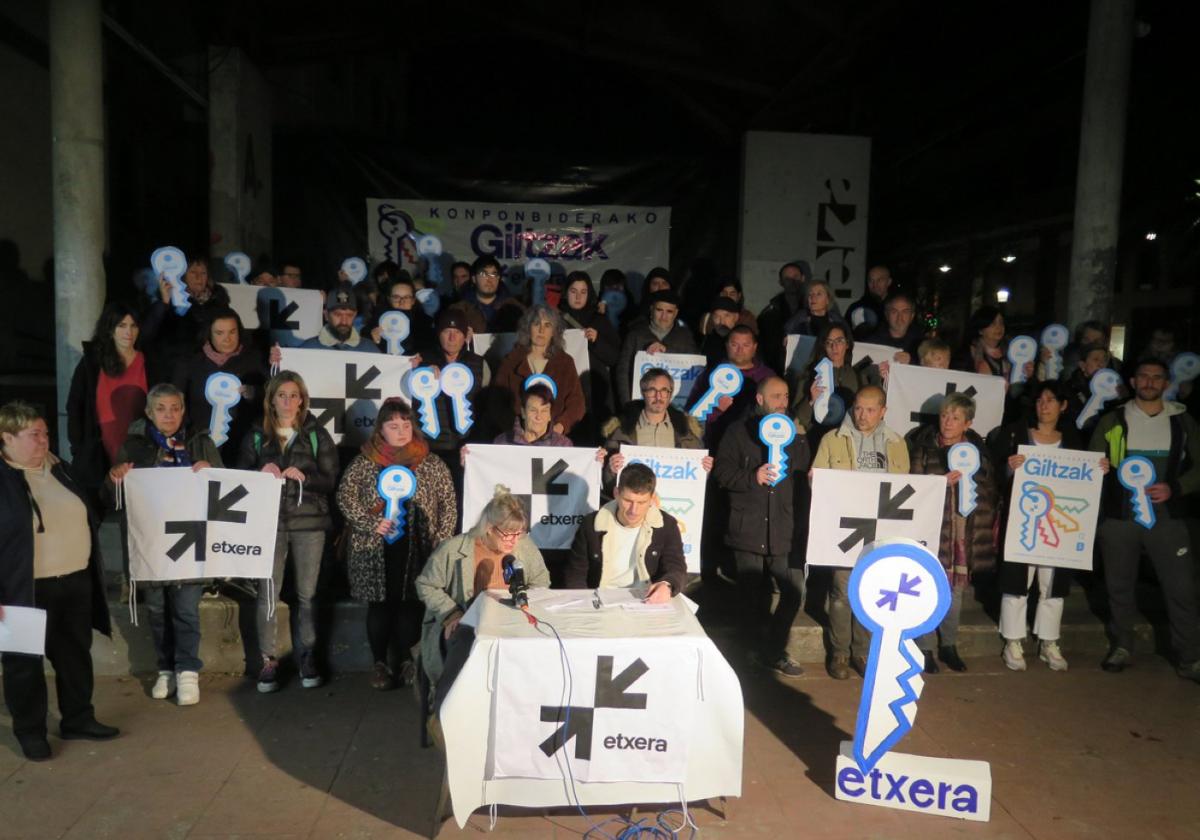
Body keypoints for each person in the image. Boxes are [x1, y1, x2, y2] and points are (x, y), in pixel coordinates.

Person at [0, 401, 118, 761]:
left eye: (46, 433)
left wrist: (112, 484)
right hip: (23, 591)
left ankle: (79, 718)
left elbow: (92, 509)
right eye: (34, 435)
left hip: (74, 581)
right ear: (6, 438)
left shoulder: (60, 469)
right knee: (24, 663)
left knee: (73, 655)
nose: (43, 440)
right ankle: (30, 731)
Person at [106, 384, 221, 705]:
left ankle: (187, 671)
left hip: (190, 541)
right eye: (161, 408)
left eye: (174, 408)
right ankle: (166, 668)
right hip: (152, 543)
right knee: (157, 610)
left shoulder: (201, 442)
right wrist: (114, 478)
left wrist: (213, 472)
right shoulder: (133, 446)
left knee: (186, 610)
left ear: (183, 411)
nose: (168, 414)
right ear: (148, 412)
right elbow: (113, 499)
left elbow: (226, 487)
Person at [1090, 357, 1200, 681]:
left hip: (1166, 518)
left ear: (1167, 383)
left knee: (1181, 588)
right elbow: (1094, 460)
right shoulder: (1112, 420)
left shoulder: (1183, 421)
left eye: (1157, 377)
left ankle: (1190, 657)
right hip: (1120, 519)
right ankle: (1123, 645)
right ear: (1134, 382)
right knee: (1119, 586)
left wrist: (1176, 488)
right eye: (1144, 376)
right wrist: (1101, 468)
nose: (1150, 382)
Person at [337, 399, 457, 690]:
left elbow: (448, 504)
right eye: (393, 425)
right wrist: (370, 522)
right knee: (379, 606)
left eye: (406, 424)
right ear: (381, 429)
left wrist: (440, 541)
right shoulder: (365, 461)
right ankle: (379, 664)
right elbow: (344, 497)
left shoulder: (430, 462)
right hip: (373, 548)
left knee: (410, 605)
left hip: (418, 548)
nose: (401, 431)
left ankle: (407, 661)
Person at [237, 371, 339, 693]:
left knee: (307, 594)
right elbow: (239, 478)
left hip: (309, 524)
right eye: (282, 395)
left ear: (302, 399)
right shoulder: (256, 433)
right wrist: (258, 473)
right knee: (268, 592)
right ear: (271, 399)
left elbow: (330, 479)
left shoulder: (315, 433)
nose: (288, 401)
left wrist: (304, 477)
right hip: (268, 524)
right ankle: (268, 660)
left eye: (294, 395)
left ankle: (306, 656)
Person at [989, 381, 1096, 672]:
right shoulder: (1015, 433)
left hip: (1057, 527)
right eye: (1040, 400)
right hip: (1022, 522)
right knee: (1016, 582)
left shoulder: (1073, 441)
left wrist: (1099, 470)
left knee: (1053, 584)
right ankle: (1012, 640)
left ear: (1063, 406)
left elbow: (1085, 480)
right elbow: (994, 471)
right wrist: (1010, 466)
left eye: (1051, 400)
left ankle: (1049, 641)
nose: (1044, 405)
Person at [415, 486, 549, 711]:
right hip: (466, 620)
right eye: (507, 533)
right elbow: (426, 585)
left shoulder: (524, 546)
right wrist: (451, 614)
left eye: (519, 533)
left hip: (511, 622)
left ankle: (520, 707)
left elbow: (541, 581)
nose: (513, 541)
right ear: (488, 528)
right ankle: (446, 708)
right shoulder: (453, 548)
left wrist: (525, 604)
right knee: (465, 642)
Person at [713, 377, 811, 678]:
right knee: (750, 596)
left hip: (782, 528)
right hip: (748, 528)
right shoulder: (737, 432)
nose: (782, 402)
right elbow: (721, 473)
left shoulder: (796, 435)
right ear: (759, 399)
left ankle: (774, 650)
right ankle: (752, 652)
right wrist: (751, 476)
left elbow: (802, 476)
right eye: (776, 396)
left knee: (793, 593)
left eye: (786, 396)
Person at [810, 386, 909, 679]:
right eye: (858, 408)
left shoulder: (896, 443)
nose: (861, 415)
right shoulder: (832, 439)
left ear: (883, 411)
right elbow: (818, 482)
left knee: (870, 591)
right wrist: (814, 480)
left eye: (869, 409)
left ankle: (861, 652)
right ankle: (839, 652)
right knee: (841, 591)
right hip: (846, 526)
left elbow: (903, 486)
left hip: (880, 528)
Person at [906, 392, 998, 673]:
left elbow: (990, 492)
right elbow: (912, 488)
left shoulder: (980, 454)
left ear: (967, 423)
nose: (947, 422)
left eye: (955, 417)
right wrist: (938, 484)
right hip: (933, 529)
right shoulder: (923, 448)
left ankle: (949, 645)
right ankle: (925, 648)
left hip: (963, 530)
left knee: (955, 591)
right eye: (945, 415)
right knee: (927, 587)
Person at [66, 302, 159, 506]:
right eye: (122, 325)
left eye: (133, 326)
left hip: (140, 451)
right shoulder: (92, 363)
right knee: (96, 512)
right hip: (99, 452)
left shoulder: (150, 362)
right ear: (110, 329)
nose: (128, 332)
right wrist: (79, 448)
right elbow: (75, 406)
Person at [564, 462, 686, 598]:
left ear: (652, 499)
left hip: (646, 598)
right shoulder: (591, 524)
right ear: (616, 493)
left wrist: (667, 584)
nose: (634, 510)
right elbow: (576, 572)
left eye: (641, 502)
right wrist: (583, 603)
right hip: (599, 598)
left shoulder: (666, 525)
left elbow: (675, 566)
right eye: (628, 500)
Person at [172, 307, 268, 464]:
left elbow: (272, 395)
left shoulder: (254, 360)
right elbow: (176, 401)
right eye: (219, 333)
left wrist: (254, 393)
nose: (227, 339)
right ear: (209, 333)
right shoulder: (191, 362)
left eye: (232, 332)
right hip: (199, 446)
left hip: (242, 447)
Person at [602, 367, 708, 495]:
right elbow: (607, 483)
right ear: (643, 392)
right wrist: (611, 470)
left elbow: (697, 480)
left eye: (664, 391)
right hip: (636, 507)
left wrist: (705, 470)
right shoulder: (620, 432)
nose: (659, 396)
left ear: (670, 394)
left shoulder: (686, 432)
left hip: (673, 506)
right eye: (652, 390)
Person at [492, 304, 585, 437]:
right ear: (528, 328)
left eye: (547, 325)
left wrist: (561, 425)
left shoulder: (565, 362)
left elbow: (577, 403)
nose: (541, 330)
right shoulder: (511, 361)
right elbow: (497, 402)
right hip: (518, 438)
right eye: (536, 324)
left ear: (554, 331)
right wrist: (515, 428)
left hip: (554, 439)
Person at [688, 325, 775, 450]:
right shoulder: (711, 375)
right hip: (716, 444)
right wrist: (716, 410)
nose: (740, 350)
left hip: (754, 446)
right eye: (734, 345)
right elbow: (693, 415)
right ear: (727, 345)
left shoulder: (767, 376)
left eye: (746, 345)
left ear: (754, 347)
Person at [558, 271, 620, 432]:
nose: (578, 297)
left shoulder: (599, 320)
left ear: (589, 294)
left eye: (583, 292)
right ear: (566, 293)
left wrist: (597, 341)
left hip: (596, 395)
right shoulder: (554, 321)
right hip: (565, 391)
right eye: (573, 291)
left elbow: (614, 358)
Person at [615, 290, 699, 405]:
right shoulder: (634, 335)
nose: (664, 316)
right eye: (659, 310)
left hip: (675, 406)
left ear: (675, 313)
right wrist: (627, 404)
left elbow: (695, 370)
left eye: (669, 311)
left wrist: (667, 351)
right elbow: (623, 372)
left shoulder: (685, 337)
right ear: (651, 309)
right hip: (640, 405)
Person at [792, 323, 861, 441]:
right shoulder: (809, 376)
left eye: (839, 341)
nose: (834, 347)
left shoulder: (858, 376)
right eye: (829, 343)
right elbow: (798, 419)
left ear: (847, 344)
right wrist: (811, 400)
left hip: (850, 440)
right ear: (823, 346)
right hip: (817, 439)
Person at [757, 260, 809, 373]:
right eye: (787, 279)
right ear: (781, 282)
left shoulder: (814, 307)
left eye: (796, 277)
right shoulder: (769, 312)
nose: (792, 281)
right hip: (777, 370)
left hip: (808, 369)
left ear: (803, 278)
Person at [449, 256, 525, 334]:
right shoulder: (459, 309)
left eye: (493, 274)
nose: (489, 279)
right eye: (483, 274)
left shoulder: (516, 307)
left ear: (498, 278)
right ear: (474, 279)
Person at [300, 283, 380, 353]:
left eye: (349, 315)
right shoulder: (308, 349)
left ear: (355, 315)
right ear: (326, 315)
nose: (344, 321)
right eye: (338, 315)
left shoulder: (370, 350)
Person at [865, 291, 926, 376]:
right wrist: (875, 372)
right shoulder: (872, 342)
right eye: (894, 312)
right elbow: (860, 370)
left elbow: (931, 373)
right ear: (887, 315)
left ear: (912, 316)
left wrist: (911, 362)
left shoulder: (923, 344)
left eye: (905, 312)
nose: (899, 318)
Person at [372, 276, 435, 355]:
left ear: (413, 300)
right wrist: (375, 342)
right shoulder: (376, 322)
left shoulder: (425, 325)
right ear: (389, 299)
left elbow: (430, 353)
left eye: (407, 297)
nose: (402, 302)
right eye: (396, 297)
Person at [783, 278, 849, 338]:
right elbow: (786, 336)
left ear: (828, 299)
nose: (813, 297)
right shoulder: (798, 319)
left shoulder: (837, 320)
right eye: (810, 294)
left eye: (819, 294)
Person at [846, 265, 893, 339]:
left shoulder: (898, 308)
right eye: (871, 281)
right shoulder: (856, 307)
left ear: (889, 282)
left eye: (879, 280)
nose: (875, 285)